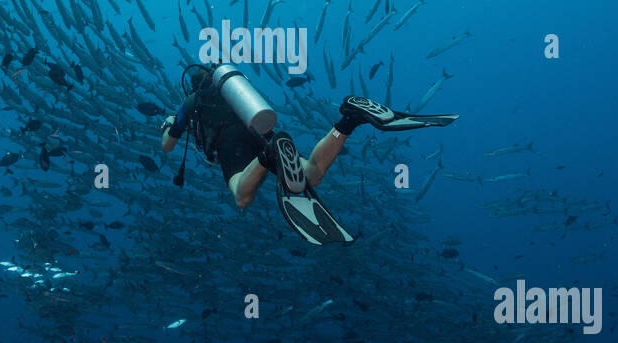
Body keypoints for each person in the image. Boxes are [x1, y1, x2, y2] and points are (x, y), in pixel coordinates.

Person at [159, 63, 456, 244]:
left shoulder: (192, 102)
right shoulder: (235, 92)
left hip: (231, 143)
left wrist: (171, 123)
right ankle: (349, 118)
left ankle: (268, 156)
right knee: (312, 173)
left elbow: (168, 146)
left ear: (193, 85)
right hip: (260, 129)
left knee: (241, 194)